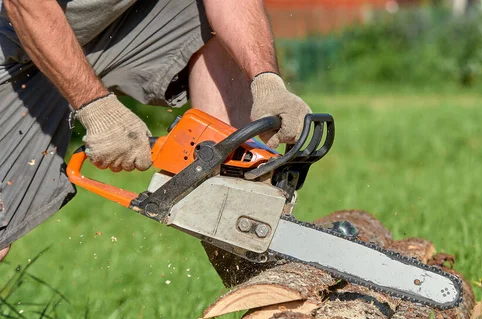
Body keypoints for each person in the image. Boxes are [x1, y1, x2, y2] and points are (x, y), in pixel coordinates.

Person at [0, 0, 311, 263]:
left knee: (216, 25)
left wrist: (266, 80)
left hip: (116, 27)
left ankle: (243, 230)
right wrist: (96, 108)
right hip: (15, 39)